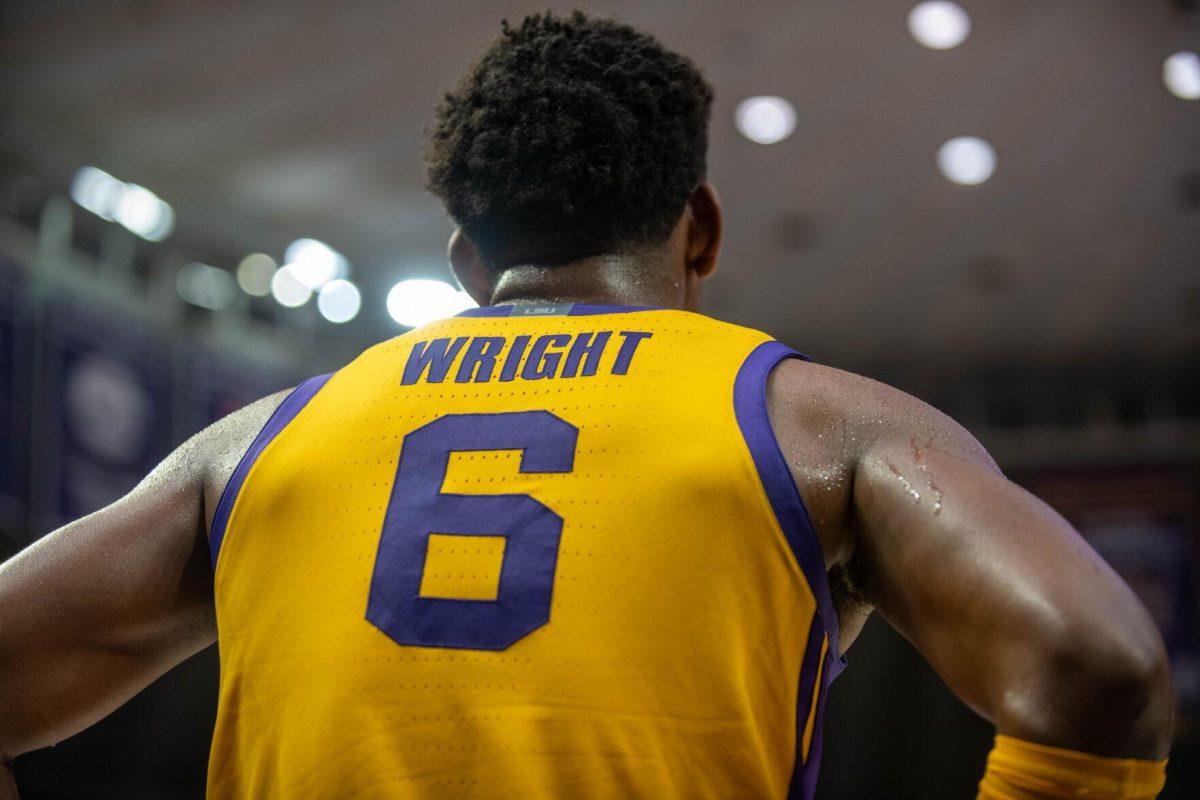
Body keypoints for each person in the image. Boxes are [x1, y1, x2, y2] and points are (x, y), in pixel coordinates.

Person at [0, 11, 1173, 799]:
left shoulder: (257, 441)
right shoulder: (824, 425)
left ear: (468, 262)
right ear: (700, 227)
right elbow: (1098, 663)